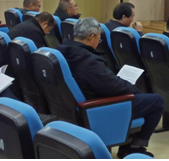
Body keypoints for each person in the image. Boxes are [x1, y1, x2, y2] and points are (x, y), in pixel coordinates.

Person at [57, 18, 163, 158]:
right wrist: (134, 90)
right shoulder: (88, 60)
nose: (99, 41)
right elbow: (113, 87)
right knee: (156, 101)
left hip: (77, 106)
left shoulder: (61, 50)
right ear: (91, 37)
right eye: (99, 38)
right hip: (99, 107)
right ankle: (133, 148)